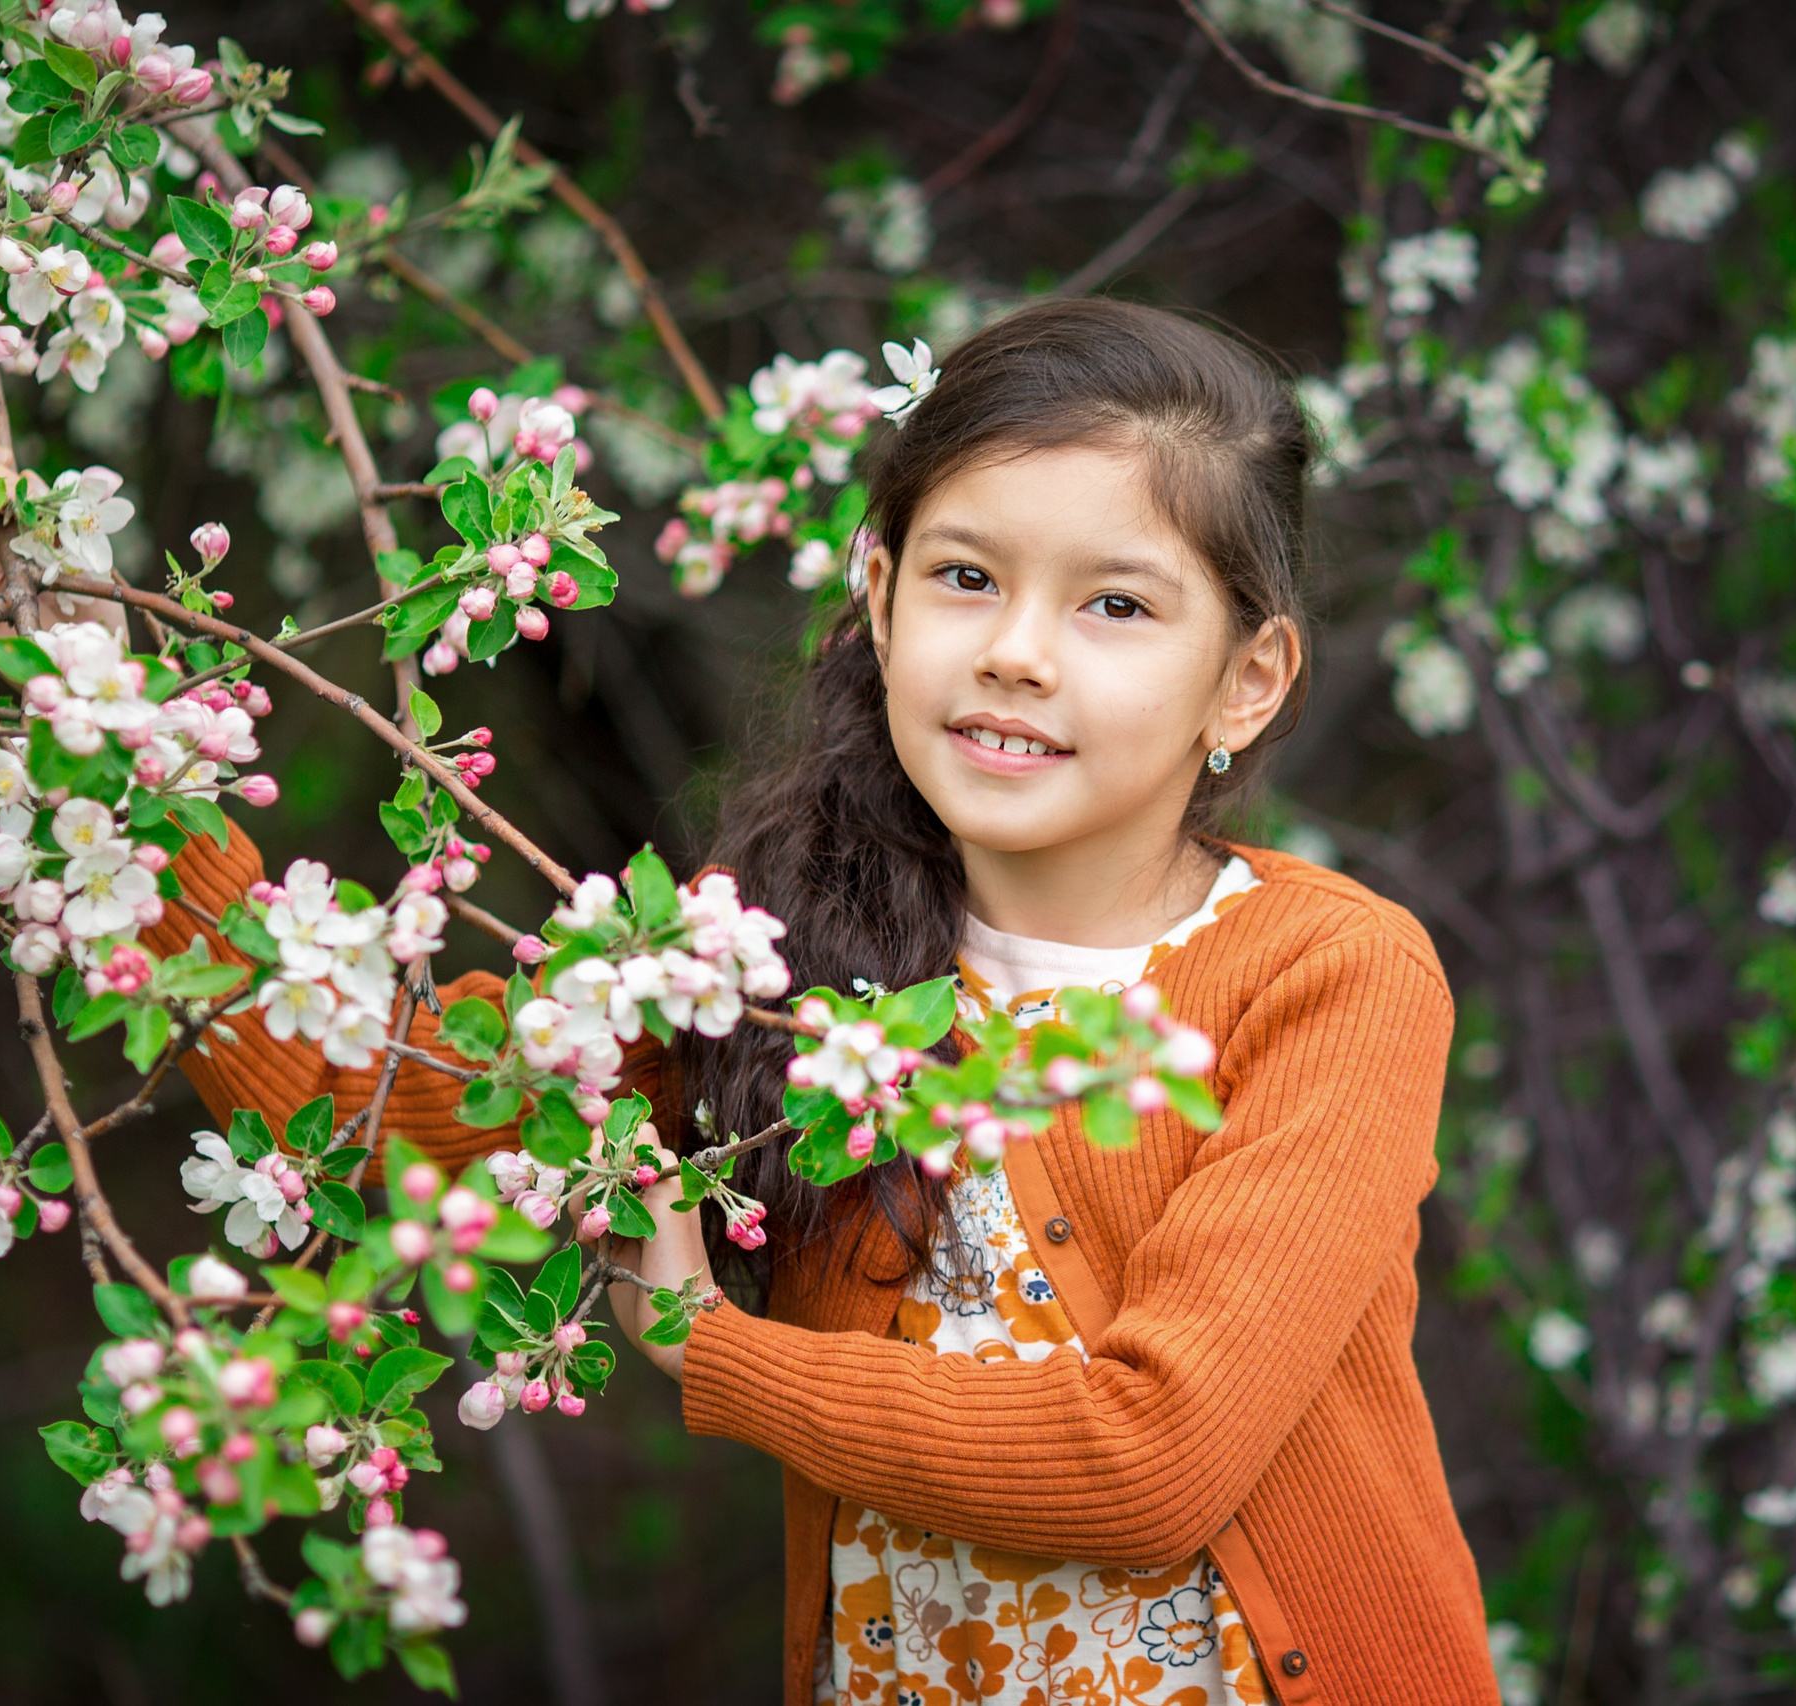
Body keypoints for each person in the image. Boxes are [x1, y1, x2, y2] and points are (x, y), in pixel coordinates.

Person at [147, 299, 1498, 1706]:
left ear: (1248, 679)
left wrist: (711, 1348)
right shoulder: (766, 961)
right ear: (880, 590)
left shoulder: (1328, 973)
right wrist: (111, 772)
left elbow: (1152, 1456)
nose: (1018, 651)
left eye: (1116, 603)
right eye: (967, 576)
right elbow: (398, 1112)